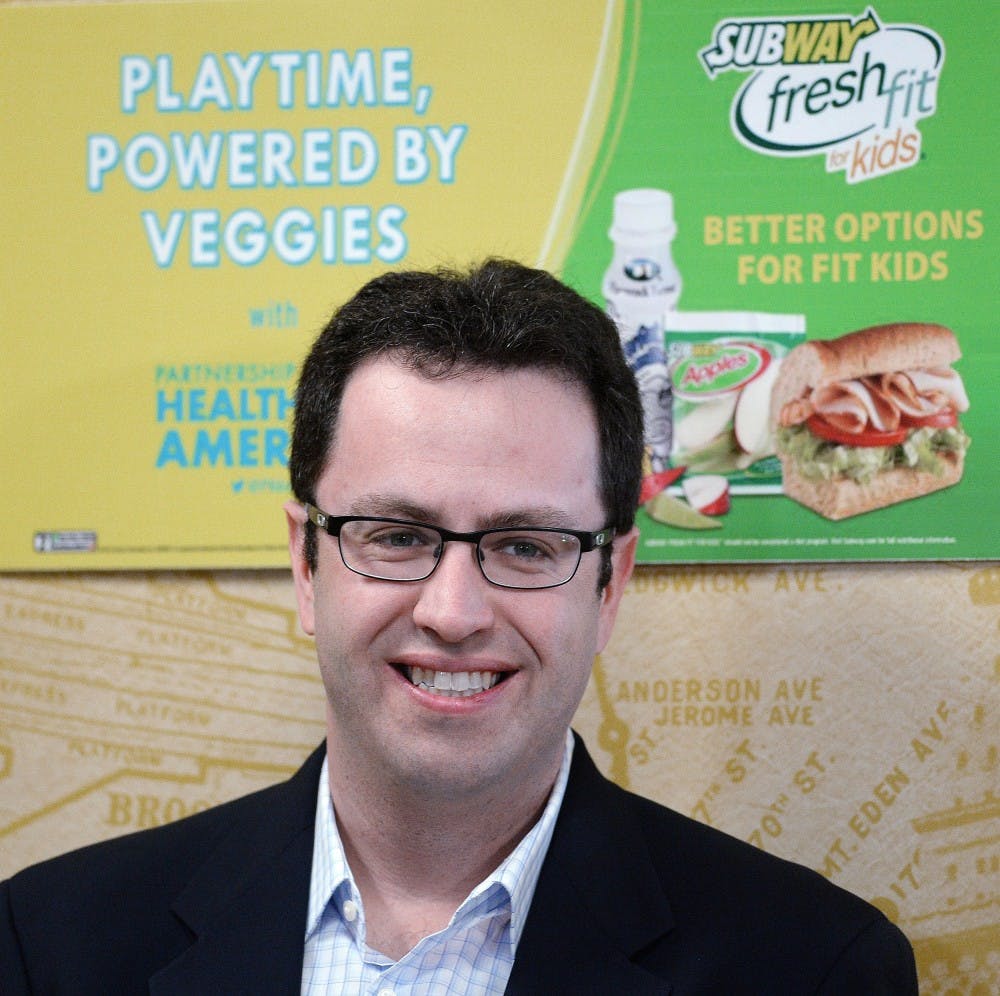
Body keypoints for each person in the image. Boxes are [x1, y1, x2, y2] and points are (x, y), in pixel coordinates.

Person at [0, 260, 917, 994]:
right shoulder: (50, 946)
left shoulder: (814, 968)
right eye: (396, 536)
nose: (452, 612)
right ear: (305, 564)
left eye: (525, 545)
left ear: (610, 585)